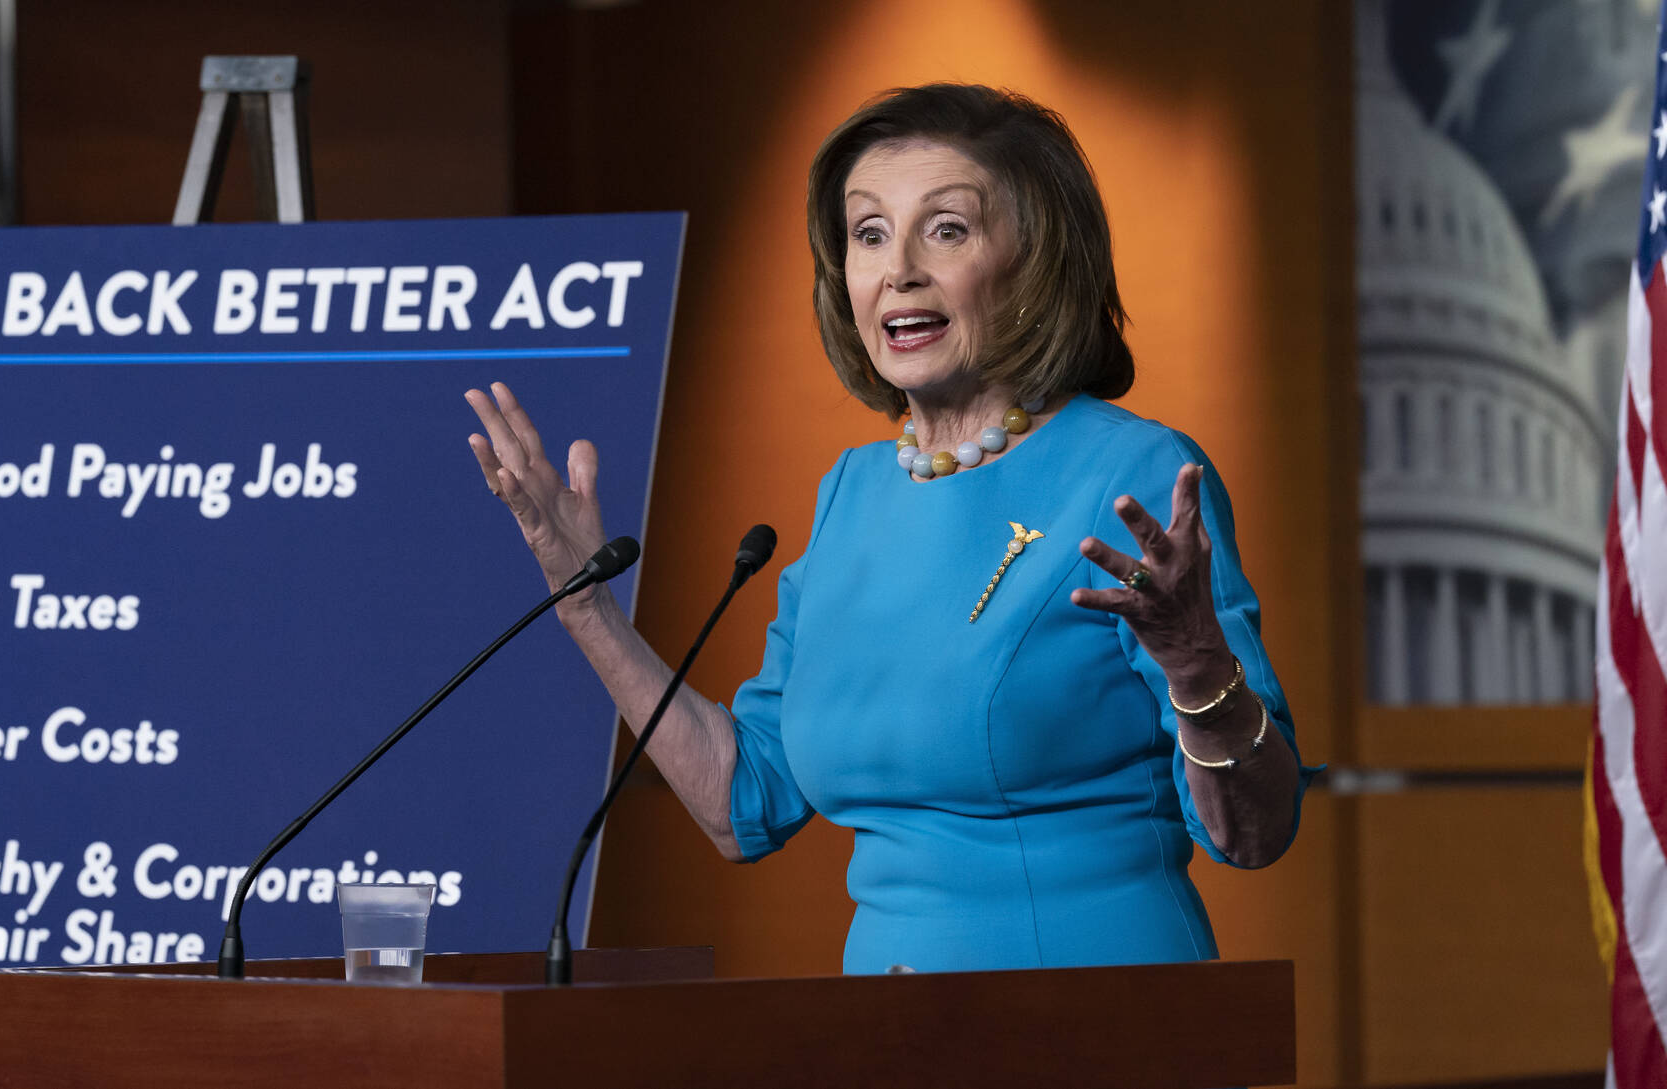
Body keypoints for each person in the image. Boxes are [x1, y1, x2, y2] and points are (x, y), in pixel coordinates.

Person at [465, 83, 1315, 974]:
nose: (898, 267)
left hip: (1091, 1018)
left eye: (946, 228)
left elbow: (1257, 831)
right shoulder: (852, 491)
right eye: (869, 232)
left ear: (1037, 264)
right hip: (885, 1035)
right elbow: (741, 800)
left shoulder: (1132, 474)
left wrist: (1197, 665)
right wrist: (586, 604)